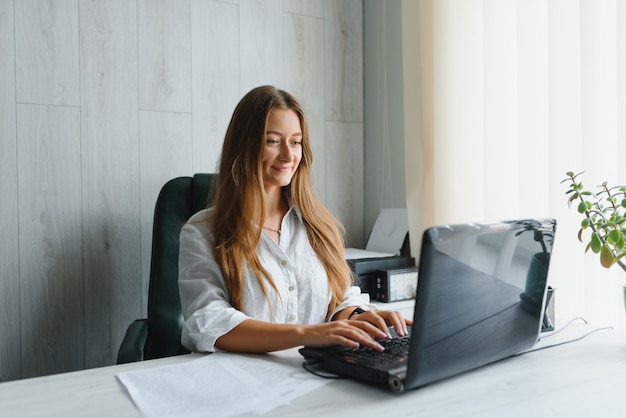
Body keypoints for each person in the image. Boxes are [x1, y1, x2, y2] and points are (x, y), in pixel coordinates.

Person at [178, 85, 411, 354]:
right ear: (245, 146)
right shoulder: (202, 233)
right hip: (243, 381)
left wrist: (357, 317)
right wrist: (307, 334)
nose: (289, 156)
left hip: (314, 374)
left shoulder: (319, 225)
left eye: (296, 142)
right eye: (273, 141)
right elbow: (209, 320)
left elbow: (339, 298)